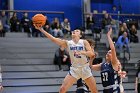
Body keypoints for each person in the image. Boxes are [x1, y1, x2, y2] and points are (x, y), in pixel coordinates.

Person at [34, 24, 98, 93]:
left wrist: (82, 52)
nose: (74, 31)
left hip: (85, 68)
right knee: (62, 89)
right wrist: (41, 30)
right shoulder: (68, 43)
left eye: (77, 31)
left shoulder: (84, 42)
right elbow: (53, 39)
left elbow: (91, 54)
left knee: (94, 91)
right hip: (75, 69)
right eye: (74, 30)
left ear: (80, 35)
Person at [90, 27, 122, 93]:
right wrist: (91, 58)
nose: (108, 53)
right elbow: (90, 67)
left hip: (114, 89)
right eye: (107, 52)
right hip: (105, 90)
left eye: (109, 53)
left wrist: (108, 36)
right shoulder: (103, 65)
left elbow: (113, 49)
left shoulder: (114, 63)